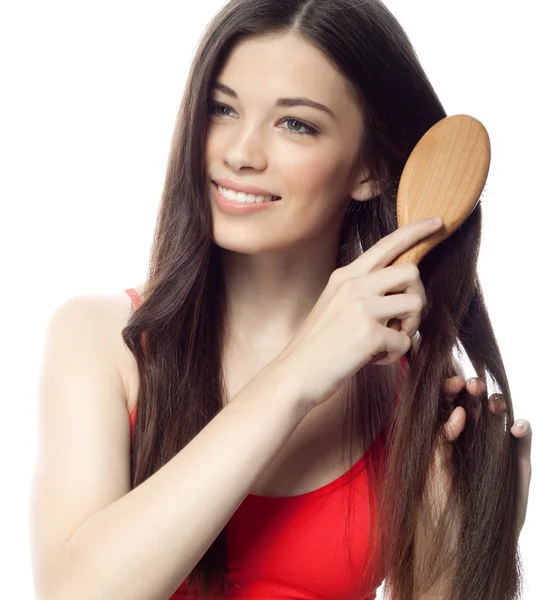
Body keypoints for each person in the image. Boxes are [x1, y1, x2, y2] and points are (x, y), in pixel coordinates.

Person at [30, 1, 532, 599]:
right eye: (222, 108)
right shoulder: (103, 341)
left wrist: (471, 551)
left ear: (371, 167)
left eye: (295, 123)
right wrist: (298, 373)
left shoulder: (416, 399)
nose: (240, 152)